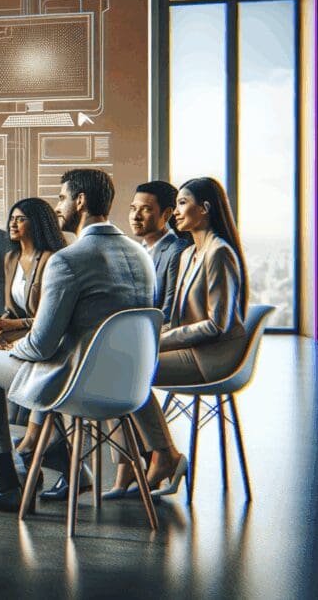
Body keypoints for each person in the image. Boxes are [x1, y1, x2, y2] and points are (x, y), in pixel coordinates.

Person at [0, 169, 154, 511]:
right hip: (131, 386)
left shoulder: (68, 260)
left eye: (62, 198)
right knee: (38, 368)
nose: (59, 206)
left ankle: (6, 483)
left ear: (81, 201)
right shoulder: (141, 256)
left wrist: (11, 348)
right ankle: (56, 461)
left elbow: (41, 345)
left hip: (77, 384)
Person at [106, 177, 247, 499]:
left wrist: (157, 341)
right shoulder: (189, 254)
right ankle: (142, 461)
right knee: (116, 366)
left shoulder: (219, 253)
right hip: (192, 347)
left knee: (127, 371)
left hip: (213, 357)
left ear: (205, 208)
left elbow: (217, 326)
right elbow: (180, 318)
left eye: (183, 203)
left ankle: (163, 456)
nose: (177, 211)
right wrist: (151, 336)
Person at [0, 197, 66, 477]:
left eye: (21, 219)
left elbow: (49, 317)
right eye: (12, 219)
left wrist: (11, 324)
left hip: (40, 330)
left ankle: (6, 447)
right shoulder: (11, 258)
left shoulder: (50, 260)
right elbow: (11, 306)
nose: (13, 224)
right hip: (17, 324)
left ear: (38, 223)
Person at [128, 181, 189, 315]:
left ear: (166, 214)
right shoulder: (137, 250)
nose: (136, 216)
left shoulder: (177, 251)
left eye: (146, 209)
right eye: (133, 208)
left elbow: (169, 311)